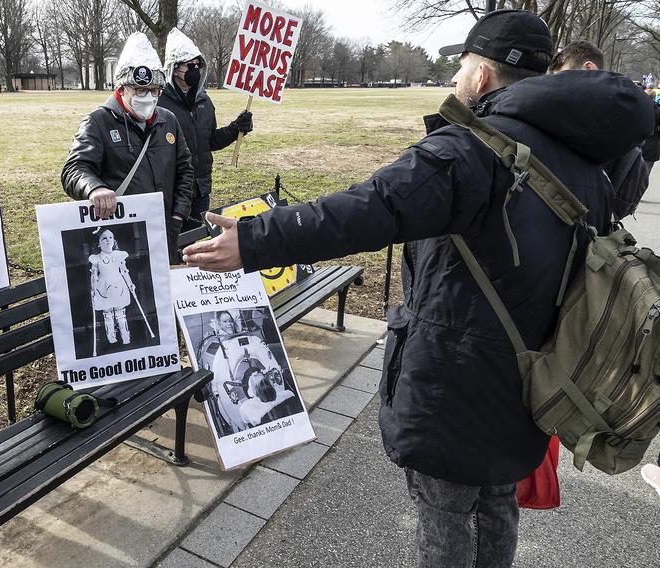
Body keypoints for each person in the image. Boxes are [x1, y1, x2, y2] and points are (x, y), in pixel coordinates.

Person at [184, 10, 654, 567]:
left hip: (456, 385)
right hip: (534, 381)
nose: (456, 78)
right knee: (497, 504)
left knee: (446, 518)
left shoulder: (472, 150)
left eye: (461, 67)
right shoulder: (583, 159)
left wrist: (259, 240)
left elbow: (371, 208)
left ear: (481, 76)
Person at [61, 32, 194, 262]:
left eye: (154, 91)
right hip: (120, 233)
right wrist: (94, 188)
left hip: (164, 229)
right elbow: (74, 169)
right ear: (122, 88)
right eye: (140, 90)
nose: (148, 97)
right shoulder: (98, 121)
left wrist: (177, 215)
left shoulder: (168, 120)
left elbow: (185, 170)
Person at [549, 40, 657, 218]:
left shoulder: (579, 116)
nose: (556, 85)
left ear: (589, 68)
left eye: (562, 76)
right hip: (600, 225)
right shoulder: (627, 116)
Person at [159, 28, 253, 230]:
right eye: (188, 65)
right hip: (172, 192)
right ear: (174, 69)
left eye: (197, 65)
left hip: (201, 189)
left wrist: (237, 128)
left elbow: (210, 141)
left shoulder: (205, 101)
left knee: (196, 242)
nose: (194, 69)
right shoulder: (159, 104)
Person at [90, 229, 135, 345]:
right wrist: (93, 288)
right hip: (103, 286)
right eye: (104, 238)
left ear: (114, 240)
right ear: (99, 243)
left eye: (110, 237)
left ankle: (125, 335)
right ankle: (111, 336)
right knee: (108, 314)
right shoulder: (96, 258)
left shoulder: (119, 255)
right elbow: (94, 275)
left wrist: (130, 283)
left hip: (118, 285)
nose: (108, 240)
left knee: (120, 313)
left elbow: (124, 271)